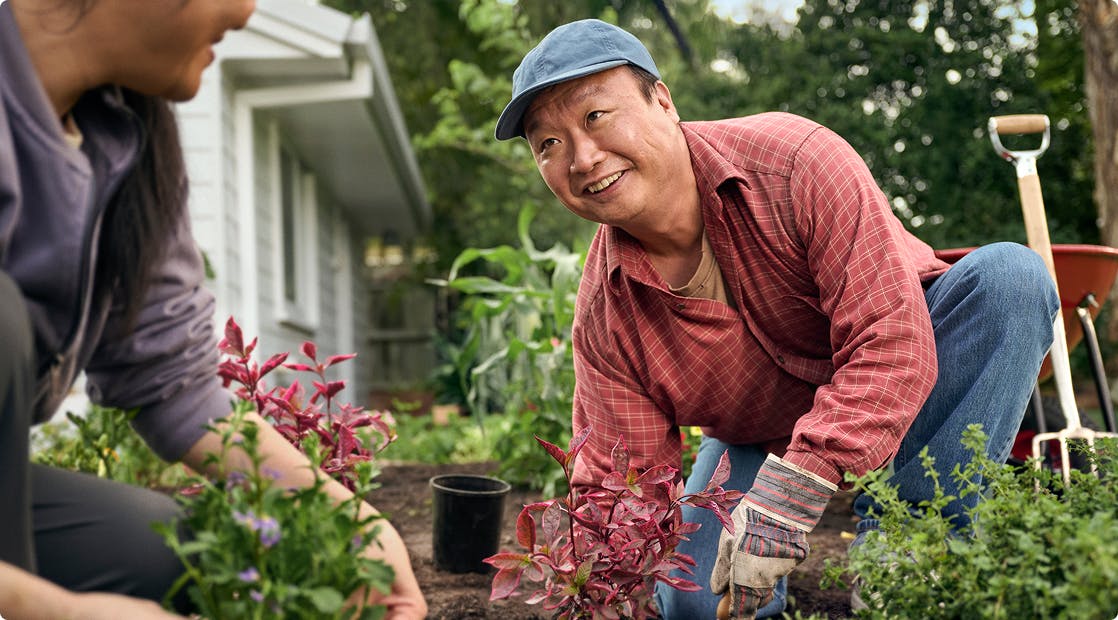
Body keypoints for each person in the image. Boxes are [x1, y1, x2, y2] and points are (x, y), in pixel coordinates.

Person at [494, 18, 1058, 620]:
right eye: (547, 144)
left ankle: (914, 545)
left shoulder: (795, 162)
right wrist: (606, 589)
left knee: (1011, 280)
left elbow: (891, 343)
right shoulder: (608, 312)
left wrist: (792, 494)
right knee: (693, 602)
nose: (581, 157)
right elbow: (621, 483)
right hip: (765, 431)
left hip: (921, 362)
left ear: (662, 100)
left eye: (595, 117)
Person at [0, 1, 427, 618]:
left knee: (185, 552)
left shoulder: (123, 133)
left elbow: (173, 387)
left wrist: (352, 525)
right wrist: (52, 608)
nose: (248, 9)